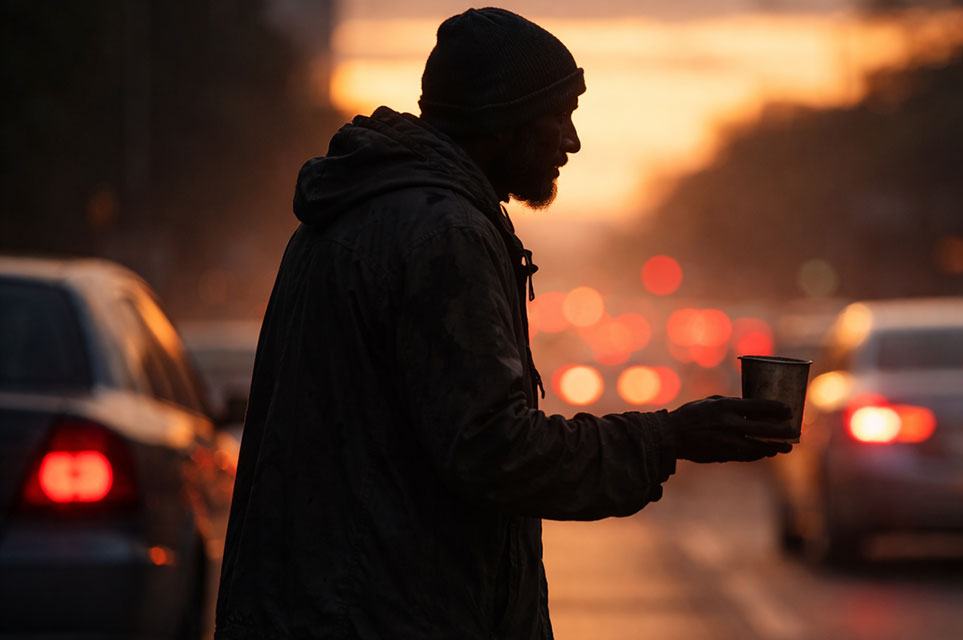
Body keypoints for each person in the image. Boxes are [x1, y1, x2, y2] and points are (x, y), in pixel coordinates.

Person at [214, 7, 793, 639]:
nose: (571, 142)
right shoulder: (445, 233)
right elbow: (493, 451)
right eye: (558, 116)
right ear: (498, 123)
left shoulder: (357, 214)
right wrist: (670, 437)